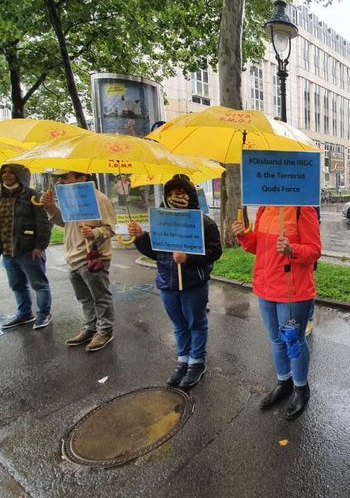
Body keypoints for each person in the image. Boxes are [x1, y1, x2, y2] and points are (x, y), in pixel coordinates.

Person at [128, 175, 222, 390]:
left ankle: (197, 363)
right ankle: (183, 360)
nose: (176, 196)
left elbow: (216, 251)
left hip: (193, 284)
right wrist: (142, 237)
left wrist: (188, 258)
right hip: (167, 283)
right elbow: (154, 252)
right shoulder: (161, 221)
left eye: (181, 192)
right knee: (179, 325)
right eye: (171, 193)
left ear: (190, 195)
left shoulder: (204, 222)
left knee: (196, 324)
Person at [232, 205, 321, 420]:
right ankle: (284, 382)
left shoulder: (303, 208)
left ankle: (301, 388)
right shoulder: (264, 208)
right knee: (276, 340)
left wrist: (292, 250)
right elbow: (258, 247)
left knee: (294, 341)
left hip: (293, 289)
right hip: (265, 287)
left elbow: (314, 250)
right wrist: (244, 236)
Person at [41, 170, 117, 352]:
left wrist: (94, 232)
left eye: (65, 177)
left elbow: (110, 228)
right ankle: (90, 328)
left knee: (100, 297)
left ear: (81, 178)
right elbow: (63, 222)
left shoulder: (100, 199)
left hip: (93, 257)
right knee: (84, 298)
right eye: (58, 178)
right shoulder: (69, 200)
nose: (59, 181)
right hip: (73, 257)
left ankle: (105, 331)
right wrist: (51, 207)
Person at [0, 164, 53, 330]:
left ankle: (44, 314)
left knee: (39, 284)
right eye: (4, 172)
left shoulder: (32, 195)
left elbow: (44, 223)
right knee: (17, 285)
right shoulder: (0, 199)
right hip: (7, 252)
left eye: (11, 172)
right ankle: (25, 314)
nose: (6, 175)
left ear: (20, 176)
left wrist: (40, 246)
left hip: (29, 251)